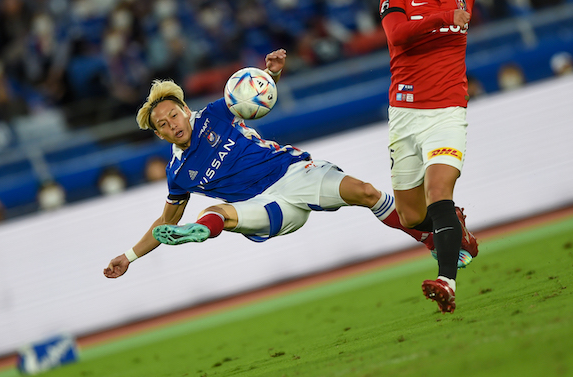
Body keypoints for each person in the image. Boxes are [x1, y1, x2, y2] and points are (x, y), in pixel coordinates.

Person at [104, 49, 436, 281]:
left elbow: (252, 95)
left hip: (291, 172)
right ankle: (202, 230)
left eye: (174, 115)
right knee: (217, 211)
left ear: (185, 110)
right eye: (163, 124)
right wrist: (129, 257)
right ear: (160, 134)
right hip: (261, 207)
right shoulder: (177, 174)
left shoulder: (216, 114)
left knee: (365, 192)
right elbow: (166, 222)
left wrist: (272, 73)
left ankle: (430, 238)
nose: (172, 124)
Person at [379, 0, 480, 313]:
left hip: (447, 112)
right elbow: (397, 35)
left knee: (438, 192)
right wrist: (444, 17)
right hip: (404, 114)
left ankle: (446, 282)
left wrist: (445, 14)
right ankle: (455, 226)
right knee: (410, 216)